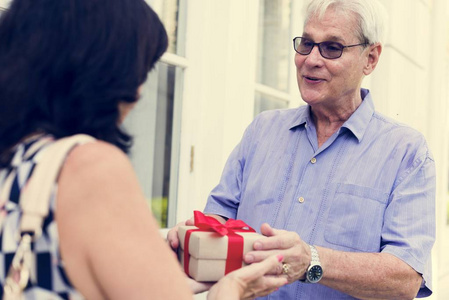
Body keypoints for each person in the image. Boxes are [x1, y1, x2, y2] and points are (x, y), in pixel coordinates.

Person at [0, 0, 289, 299]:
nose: (138, 93)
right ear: (104, 69)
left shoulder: (16, 156)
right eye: (140, 71)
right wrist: (230, 290)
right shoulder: (88, 166)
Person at [168, 0, 436, 299]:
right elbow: (219, 218)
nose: (311, 59)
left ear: (370, 58)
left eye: (332, 48)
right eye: (306, 44)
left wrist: (312, 259)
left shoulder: (406, 152)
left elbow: (406, 279)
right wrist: (193, 238)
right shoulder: (262, 131)